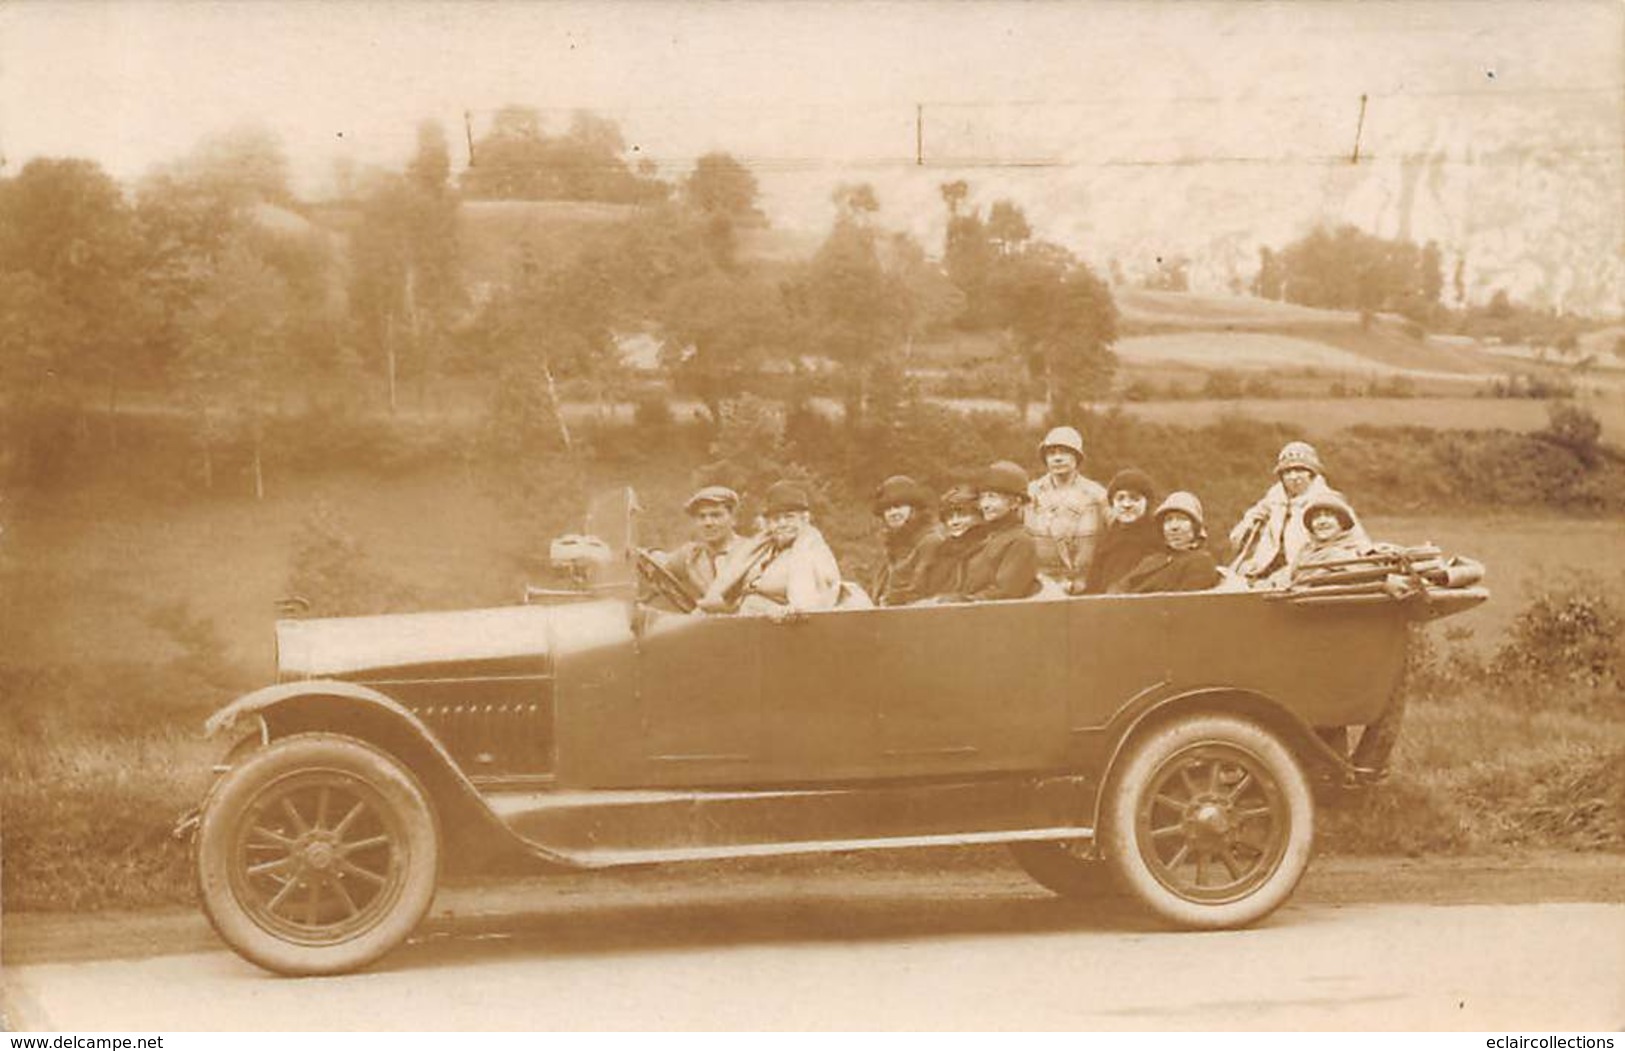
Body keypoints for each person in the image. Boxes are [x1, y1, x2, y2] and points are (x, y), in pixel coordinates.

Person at [1228, 441, 1367, 585]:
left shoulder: (1328, 501)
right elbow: (1237, 538)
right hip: (1265, 568)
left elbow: (1356, 539)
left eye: (1300, 470)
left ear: (1312, 474)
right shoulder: (1274, 500)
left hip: (1306, 569)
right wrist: (1250, 525)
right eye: (1287, 472)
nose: (1294, 477)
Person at [699, 480, 841, 618]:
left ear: (804, 519)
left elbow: (822, 597)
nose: (782, 524)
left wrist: (790, 609)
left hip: (785, 629)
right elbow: (733, 586)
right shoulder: (761, 549)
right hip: (746, 622)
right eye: (776, 519)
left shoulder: (813, 551)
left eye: (789, 517)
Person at [1025, 425, 1110, 589]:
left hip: (1086, 584)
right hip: (1041, 584)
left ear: (1077, 457)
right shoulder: (1031, 493)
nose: (1057, 458)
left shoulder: (1097, 494)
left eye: (1064, 452)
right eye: (1051, 453)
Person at [646, 485, 747, 607]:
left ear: (733, 519)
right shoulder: (692, 554)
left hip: (744, 622)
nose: (708, 523)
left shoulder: (749, 552)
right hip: (705, 623)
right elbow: (660, 563)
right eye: (702, 517)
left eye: (716, 515)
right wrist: (645, 555)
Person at [958, 461, 1041, 602]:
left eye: (992, 497)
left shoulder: (1021, 541)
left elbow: (1005, 593)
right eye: (983, 497)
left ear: (1015, 502)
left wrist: (961, 602)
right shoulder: (989, 537)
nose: (985, 505)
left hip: (996, 618)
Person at [1112, 491, 1221, 595]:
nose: (1174, 527)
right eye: (1168, 520)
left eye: (1182, 519)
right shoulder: (1154, 559)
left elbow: (1185, 605)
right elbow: (1120, 587)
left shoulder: (1200, 561)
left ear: (1195, 527)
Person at [1080, 468, 1162, 595]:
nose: (1126, 504)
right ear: (1112, 503)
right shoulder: (1107, 540)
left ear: (1148, 503)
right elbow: (1093, 586)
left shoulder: (1158, 539)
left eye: (1135, 498)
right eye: (1120, 498)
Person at [868, 475, 944, 607]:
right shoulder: (889, 550)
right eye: (887, 509)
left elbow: (919, 592)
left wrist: (890, 600)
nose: (892, 513)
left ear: (914, 508)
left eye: (898, 506)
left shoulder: (931, 542)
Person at [1287, 490, 1377, 582]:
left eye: (1329, 516)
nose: (1322, 522)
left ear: (1342, 522)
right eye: (1316, 517)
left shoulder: (1359, 549)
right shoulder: (1306, 552)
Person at [916, 483, 984, 601]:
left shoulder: (989, 549)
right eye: (949, 516)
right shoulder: (941, 552)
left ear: (978, 515)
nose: (954, 522)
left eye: (962, 515)